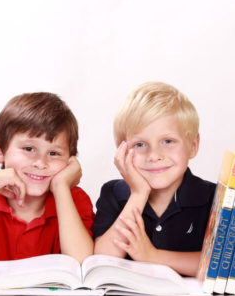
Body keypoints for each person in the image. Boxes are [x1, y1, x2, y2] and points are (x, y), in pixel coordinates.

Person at [0, 92, 94, 275]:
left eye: (54, 153)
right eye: (29, 149)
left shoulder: (74, 201)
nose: (41, 163)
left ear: (70, 160)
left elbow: (82, 267)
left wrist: (61, 187)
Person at [93, 81, 216, 276]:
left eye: (167, 141)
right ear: (122, 151)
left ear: (193, 145)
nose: (154, 155)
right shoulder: (114, 193)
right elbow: (102, 261)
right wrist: (138, 193)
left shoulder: (212, 197)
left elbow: (220, 264)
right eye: (140, 144)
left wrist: (152, 256)